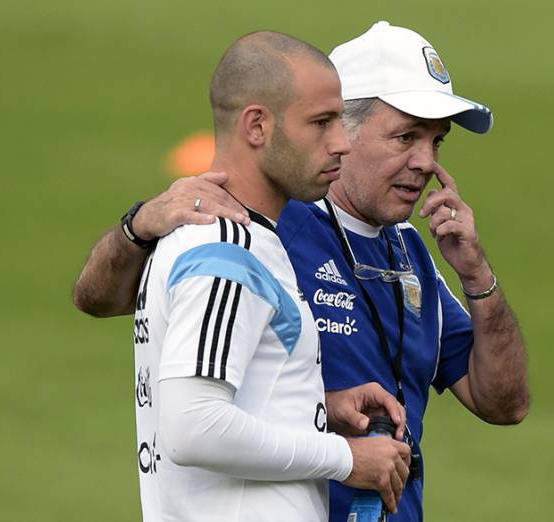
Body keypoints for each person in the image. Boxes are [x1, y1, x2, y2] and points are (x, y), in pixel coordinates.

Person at [73, 22, 529, 522]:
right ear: (344, 129)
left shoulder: (412, 253)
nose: (425, 162)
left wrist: (476, 275)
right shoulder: (246, 226)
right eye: (405, 136)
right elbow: (101, 300)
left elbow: (503, 404)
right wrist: (136, 226)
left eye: (436, 142)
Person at [120, 31, 410, 522]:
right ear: (257, 126)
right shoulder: (227, 251)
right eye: (321, 123)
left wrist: (315, 409)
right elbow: (194, 426)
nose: (341, 143)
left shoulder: (227, 239)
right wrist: (347, 459)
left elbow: (226, 397)